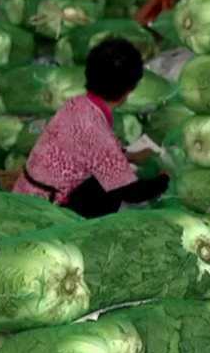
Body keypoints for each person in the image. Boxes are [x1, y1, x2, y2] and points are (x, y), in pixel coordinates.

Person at [11, 38, 170, 219]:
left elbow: (88, 151)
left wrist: (128, 156)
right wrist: (164, 179)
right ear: (128, 90)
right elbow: (133, 193)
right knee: (110, 190)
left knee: (107, 177)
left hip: (25, 195)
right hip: (44, 212)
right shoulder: (97, 133)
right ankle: (78, 228)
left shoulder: (77, 104)